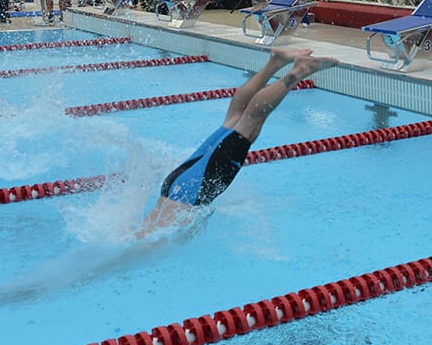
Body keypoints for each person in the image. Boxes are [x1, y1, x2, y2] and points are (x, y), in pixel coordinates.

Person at [136, 47, 339, 236]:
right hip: (176, 186)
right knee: (234, 119)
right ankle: (275, 62)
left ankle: (299, 71)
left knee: (250, 124)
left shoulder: (143, 246)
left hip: (192, 192)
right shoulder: (133, 239)